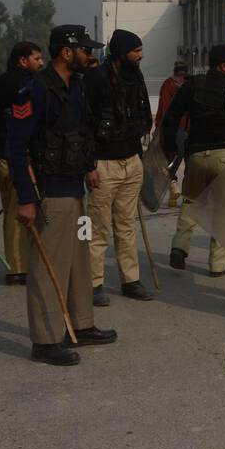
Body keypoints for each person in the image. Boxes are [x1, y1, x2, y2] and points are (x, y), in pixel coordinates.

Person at [6, 25, 116, 365]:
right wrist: (26, 198)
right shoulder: (34, 90)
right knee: (48, 266)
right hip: (49, 194)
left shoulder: (77, 87)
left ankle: (80, 325)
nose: (90, 55)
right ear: (66, 52)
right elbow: (16, 147)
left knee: (79, 262)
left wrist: (89, 167)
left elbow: (80, 132)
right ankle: (45, 339)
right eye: (85, 49)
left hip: (76, 190)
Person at [84, 29, 154, 305]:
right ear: (122, 51)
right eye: (136, 50)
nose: (140, 55)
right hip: (103, 164)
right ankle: (94, 284)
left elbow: (143, 113)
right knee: (99, 229)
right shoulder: (95, 78)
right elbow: (85, 124)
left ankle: (130, 280)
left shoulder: (135, 76)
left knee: (126, 225)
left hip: (132, 161)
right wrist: (89, 165)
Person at [164, 45, 225, 278]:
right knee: (223, 210)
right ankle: (217, 264)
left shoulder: (192, 85)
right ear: (224, 65)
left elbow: (171, 117)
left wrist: (169, 146)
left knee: (190, 201)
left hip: (197, 155)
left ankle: (180, 246)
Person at [0, 41, 44, 285]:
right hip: (15, 157)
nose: (40, 63)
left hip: (1, 154)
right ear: (23, 60)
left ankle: (18, 264)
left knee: (12, 209)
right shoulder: (24, 85)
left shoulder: (0, 82)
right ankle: (18, 268)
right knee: (21, 210)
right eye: (36, 58)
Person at [154, 62, 189, 207]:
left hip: (173, 128)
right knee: (189, 161)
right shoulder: (189, 85)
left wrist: (158, 127)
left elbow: (163, 108)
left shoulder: (168, 84)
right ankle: (188, 195)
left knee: (171, 158)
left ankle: (173, 185)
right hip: (189, 128)